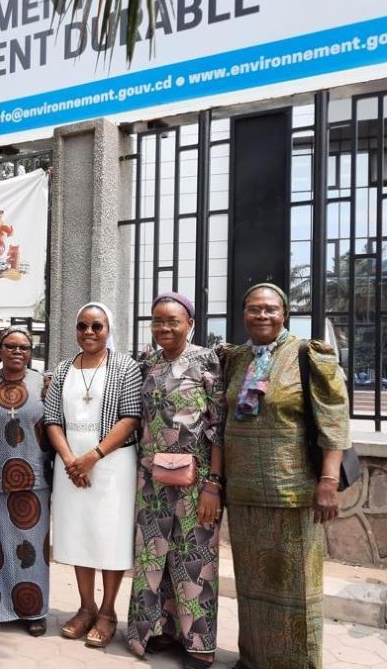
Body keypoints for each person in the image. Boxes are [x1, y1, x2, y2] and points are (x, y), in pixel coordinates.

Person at [221, 283, 351, 669]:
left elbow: (334, 419)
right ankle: (254, 660)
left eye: (270, 309)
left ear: (285, 314)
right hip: (243, 492)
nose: (262, 315)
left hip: (294, 491)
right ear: (244, 313)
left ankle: (301, 663)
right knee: (252, 585)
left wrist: (328, 482)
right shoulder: (235, 358)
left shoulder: (306, 355)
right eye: (254, 309)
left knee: (297, 587)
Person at [126, 293, 227, 667]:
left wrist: (214, 483)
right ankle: (157, 632)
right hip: (152, 479)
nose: (164, 328)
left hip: (197, 481)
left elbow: (219, 427)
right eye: (158, 321)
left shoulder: (207, 361)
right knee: (153, 556)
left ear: (190, 324)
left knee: (194, 558)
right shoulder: (147, 364)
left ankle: (200, 644)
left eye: (173, 321)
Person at [44, 302, 142, 648]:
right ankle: (85, 608)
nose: (88, 332)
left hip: (112, 466)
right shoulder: (63, 368)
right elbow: (52, 419)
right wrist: (72, 460)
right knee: (80, 534)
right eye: (82, 325)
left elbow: (130, 417)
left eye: (96, 326)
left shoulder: (125, 367)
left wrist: (92, 457)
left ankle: (108, 612)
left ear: (108, 329)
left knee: (109, 536)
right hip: (71, 469)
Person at [0, 326, 52, 637]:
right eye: (11, 346)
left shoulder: (44, 383)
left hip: (36, 480)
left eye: (24, 347)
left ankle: (35, 611)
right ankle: (3, 607)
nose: (17, 352)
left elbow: (55, 428)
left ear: (31, 353)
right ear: (0, 350)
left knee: (33, 547)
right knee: (0, 545)